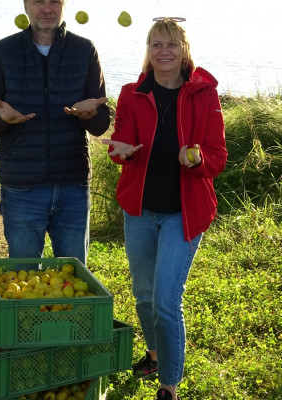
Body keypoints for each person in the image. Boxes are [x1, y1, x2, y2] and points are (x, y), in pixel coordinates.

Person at [102, 17, 227, 400]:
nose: (163, 51)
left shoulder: (204, 94)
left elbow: (218, 157)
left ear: (184, 50)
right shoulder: (131, 93)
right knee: (143, 294)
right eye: (156, 44)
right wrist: (119, 151)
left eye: (171, 44)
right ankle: (154, 355)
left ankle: (169, 386)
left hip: (183, 213)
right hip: (139, 210)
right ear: (148, 51)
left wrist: (197, 160)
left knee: (165, 300)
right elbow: (120, 141)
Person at [0, 0, 110, 265]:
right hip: (22, 188)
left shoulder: (85, 50)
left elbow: (102, 122)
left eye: (55, 2)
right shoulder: (4, 51)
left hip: (73, 185)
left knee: (72, 279)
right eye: (38, 2)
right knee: (23, 280)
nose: (47, 9)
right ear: (25, 6)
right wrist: (2, 118)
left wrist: (90, 115)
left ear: (64, 6)